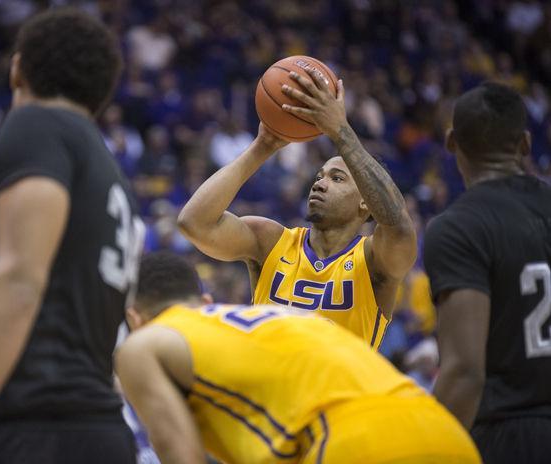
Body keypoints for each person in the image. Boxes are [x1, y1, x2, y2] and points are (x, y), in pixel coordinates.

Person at [0, 8, 144, 464]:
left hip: (39, 429)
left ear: (17, 68)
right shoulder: (111, 174)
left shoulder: (38, 126)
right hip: (103, 429)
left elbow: (19, 281)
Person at [116, 252, 481, 464]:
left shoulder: (144, 343)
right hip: (447, 434)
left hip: (353, 446)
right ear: (206, 303)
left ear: (134, 317)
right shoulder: (277, 316)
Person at [178, 70, 416, 349]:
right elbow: (194, 223)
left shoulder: (375, 259)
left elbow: (398, 224)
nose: (320, 184)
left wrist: (340, 131)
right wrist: (262, 147)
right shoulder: (272, 241)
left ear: (367, 201)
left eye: (337, 179)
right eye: (319, 177)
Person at [424, 82, 551, 463]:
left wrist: (422, 446)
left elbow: (464, 372)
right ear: (526, 144)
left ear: (451, 143)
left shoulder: (458, 227)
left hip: (508, 434)